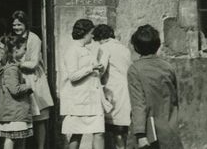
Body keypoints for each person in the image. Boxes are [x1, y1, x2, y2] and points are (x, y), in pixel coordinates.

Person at [126, 24, 182, 149]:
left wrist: (140, 134)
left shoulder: (135, 70)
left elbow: (138, 103)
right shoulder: (168, 67)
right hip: (168, 129)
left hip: (148, 132)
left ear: (136, 47)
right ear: (157, 45)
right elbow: (175, 99)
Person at [60, 18, 105, 149]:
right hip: (79, 100)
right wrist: (91, 68)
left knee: (99, 132)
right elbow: (73, 76)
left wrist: (97, 68)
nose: (93, 35)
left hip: (91, 99)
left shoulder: (85, 49)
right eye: (91, 32)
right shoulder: (72, 50)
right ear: (84, 33)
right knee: (77, 133)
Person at [10, 12, 53, 149]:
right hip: (19, 79)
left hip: (34, 79)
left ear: (25, 24)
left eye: (19, 24)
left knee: (39, 119)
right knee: (21, 118)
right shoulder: (12, 38)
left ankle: (40, 147)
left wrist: (16, 65)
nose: (16, 27)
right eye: (14, 24)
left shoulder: (34, 39)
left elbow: (33, 63)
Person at [93, 24, 131, 148]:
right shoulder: (124, 48)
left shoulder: (104, 47)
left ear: (101, 38)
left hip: (112, 90)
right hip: (125, 90)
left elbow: (101, 69)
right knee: (121, 129)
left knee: (113, 129)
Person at [0, 34, 33, 149]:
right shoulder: (12, 69)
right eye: (24, 49)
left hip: (13, 112)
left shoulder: (10, 67)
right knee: (11, 138)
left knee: (17, 138)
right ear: (16, 50)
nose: (25, 52)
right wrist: (28, 86)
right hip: (14, 112)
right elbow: (15, 89)